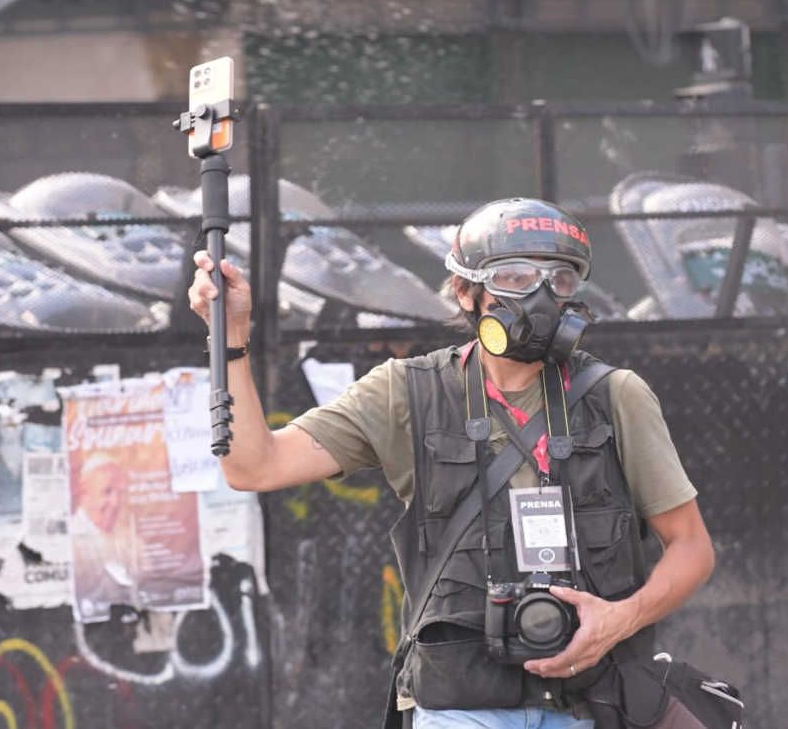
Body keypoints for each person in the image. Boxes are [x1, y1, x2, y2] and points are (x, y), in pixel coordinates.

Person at [188, 197, 715, 728]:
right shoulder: (408, 392)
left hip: (593, 699)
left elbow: (691, 547)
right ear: (465, 291)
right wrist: (231, 337)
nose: (540, 296)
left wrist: (619, 620)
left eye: (560, 279)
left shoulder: (615, 395)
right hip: (460, 703)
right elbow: (255, 467)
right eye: (513, 277)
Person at [69, 452, 135, 621]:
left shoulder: (129, 538)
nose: (116, 502)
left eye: (120, 493)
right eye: (107, 492)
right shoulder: (70, 541)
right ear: (84, 493)